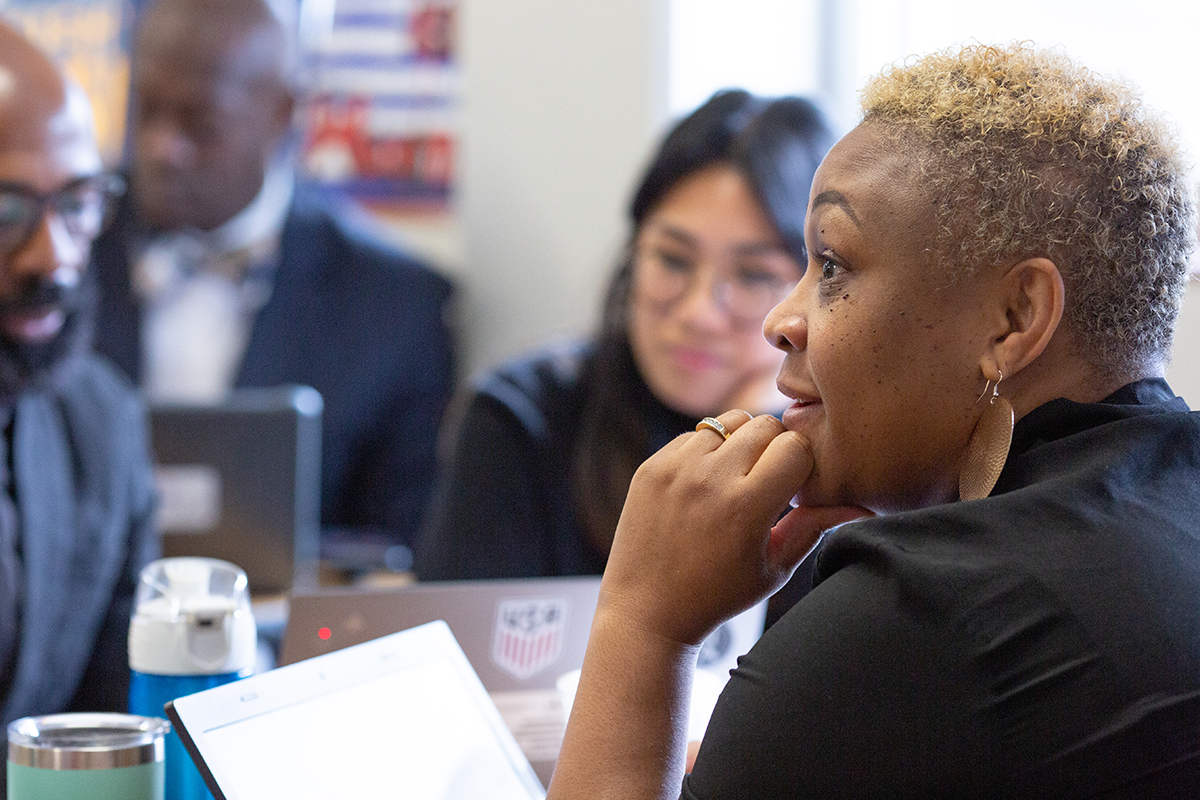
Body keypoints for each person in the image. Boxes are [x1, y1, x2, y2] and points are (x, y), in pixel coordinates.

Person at [548, 42, 1200, 799]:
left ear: (1014, 319)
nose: (780, 320)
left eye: (831, 264)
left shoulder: (919, 624)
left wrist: (644, 625)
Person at [415, 90, 835, 620]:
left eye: (753, 276)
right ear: (634, 252)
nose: (699, 313)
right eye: (673, 260)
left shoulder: (854, 456)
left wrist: (774, 424)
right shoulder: (521, 418)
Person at [90, 0, 457, 566]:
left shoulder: (394, 306)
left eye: (200, 124)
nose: (162, 148)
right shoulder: (58, 252)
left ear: (282, 113)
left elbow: (400, 543)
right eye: (147, 110)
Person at [0, 17, 157, 763]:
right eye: (6, 211)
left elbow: (121, 728)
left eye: (77, 202)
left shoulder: (100, 421)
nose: (52, 255)